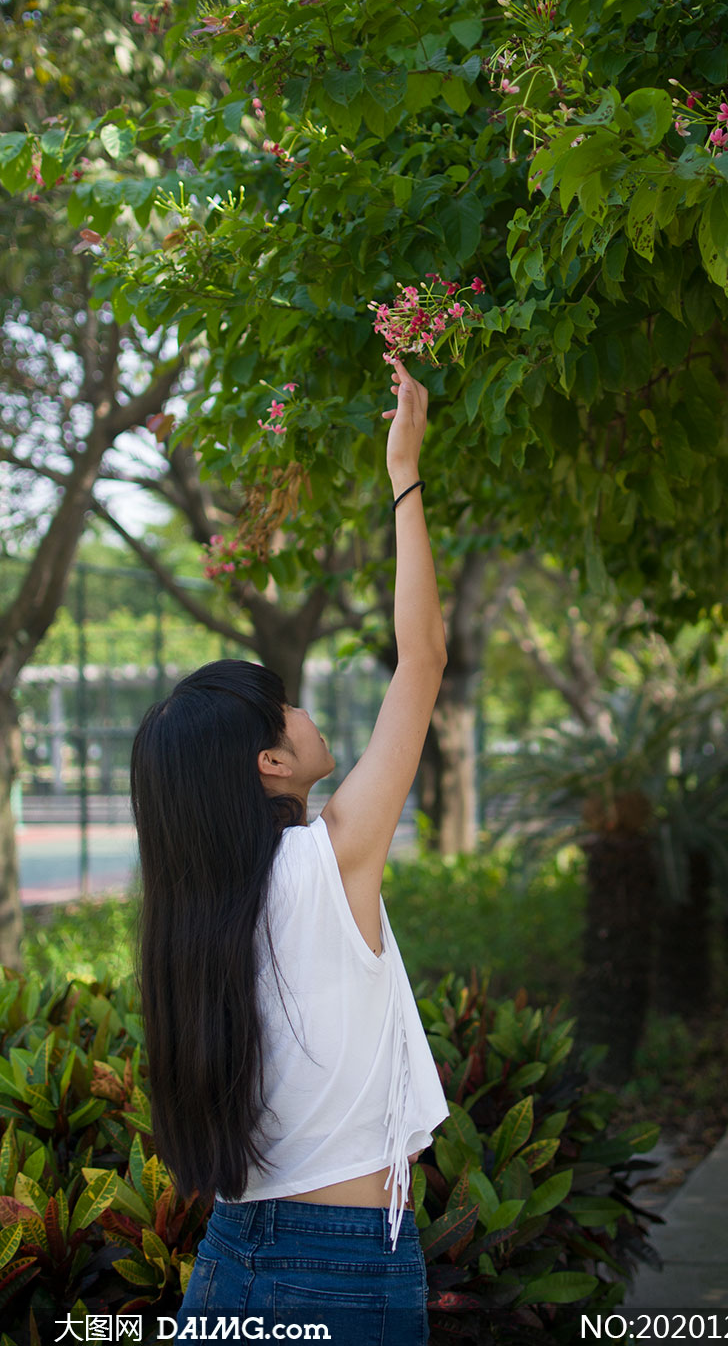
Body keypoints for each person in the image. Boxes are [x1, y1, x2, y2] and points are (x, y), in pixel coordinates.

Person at [130, 361, 449, 1342]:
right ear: (272, 760)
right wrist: (404, 472)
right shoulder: (331, 859)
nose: (311, 713)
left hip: (227, 1265)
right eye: (292, 706)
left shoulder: (192, 919)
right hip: (343, 1272)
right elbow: (422, 657)